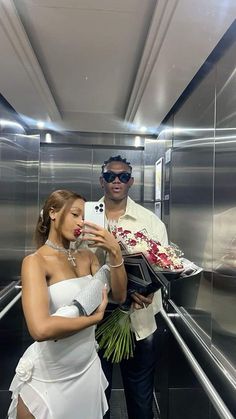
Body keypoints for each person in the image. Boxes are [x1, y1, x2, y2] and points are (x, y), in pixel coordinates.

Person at [8, 189, 127, 419]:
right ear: (53, 213)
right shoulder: (35, 262)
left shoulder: (89, 257)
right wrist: (93, 319)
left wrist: (114, 251)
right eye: (75, 214)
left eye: (85, 216)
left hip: (87, 369)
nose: (82, 222)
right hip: (51, 376)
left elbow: (120, 296)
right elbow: (40, 329)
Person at [97, 155, 168, 419]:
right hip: (95, 318)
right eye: (110, 176)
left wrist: (148, 291)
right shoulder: (85, 219)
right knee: (96, 398)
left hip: (139, 318)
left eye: (123, 176)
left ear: (131, 181)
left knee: (140, 399)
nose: (117, 181)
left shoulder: (150, 223)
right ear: (101, 180)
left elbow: (163, 267)